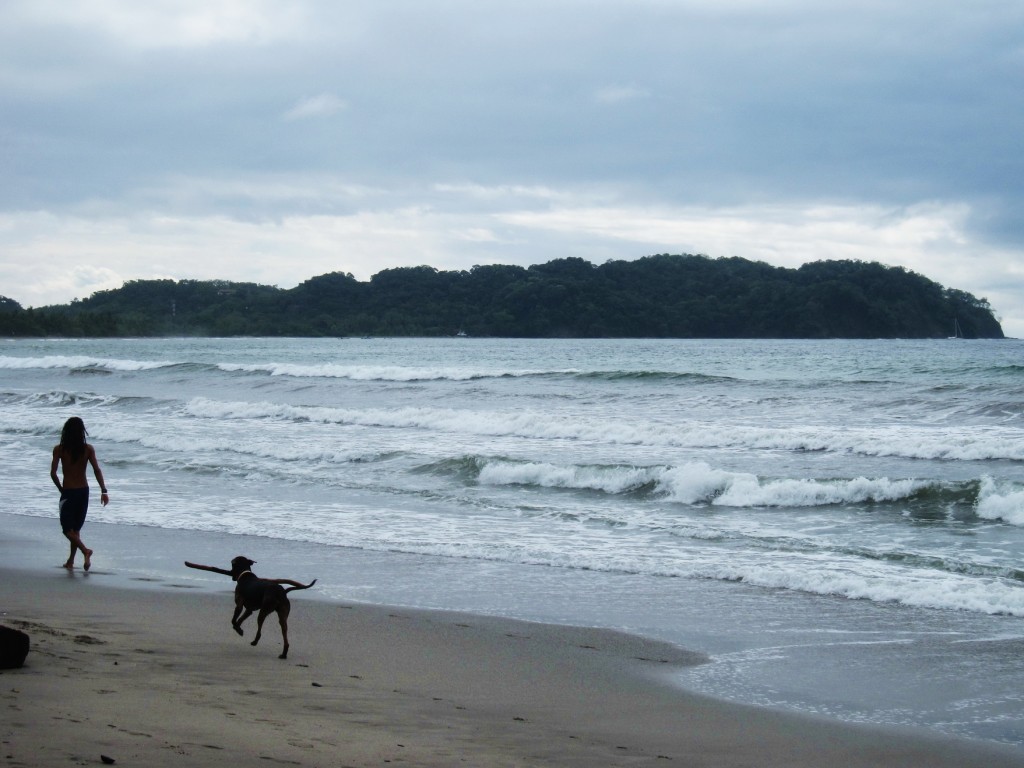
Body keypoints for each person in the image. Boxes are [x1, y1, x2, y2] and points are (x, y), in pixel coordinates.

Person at [50, 417, 109, 571]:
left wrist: (61, 489)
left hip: (68, 492)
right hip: (84, 492)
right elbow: (97, 470)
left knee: (66, 529)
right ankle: (70, 561)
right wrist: (103, 490)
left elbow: (53, 473)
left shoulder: (59, 449)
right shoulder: (88, 449)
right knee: (75, 529)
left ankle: (85, 551)